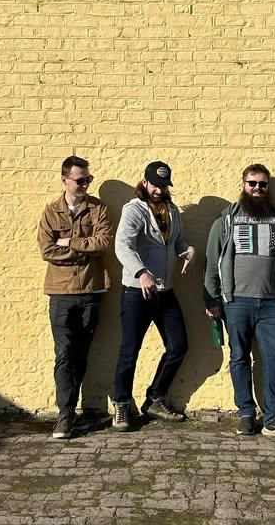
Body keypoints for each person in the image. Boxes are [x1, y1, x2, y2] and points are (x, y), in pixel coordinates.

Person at [204, 164, 275, 438]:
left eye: (262, 184)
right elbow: (212, 263)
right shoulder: (226, 220)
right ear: (243, 185)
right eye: (252, 183)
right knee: (239, 357)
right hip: (236, 303)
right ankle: (247, 414)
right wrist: (211, 298)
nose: (257, 189)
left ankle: (274, 418)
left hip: (273, 303)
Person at [112, 161, 195, 430]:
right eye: (155, 185)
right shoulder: (134, 209)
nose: (159, 190)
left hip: (165, 291)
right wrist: (141, 272)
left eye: (163, 185)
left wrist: (186, 250)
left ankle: (155, 398)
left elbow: (175, 241)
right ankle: (123, 404)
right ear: (145, 182)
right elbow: (122, 245)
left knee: (178, 345)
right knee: (129, 350)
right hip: (138, 292)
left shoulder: (171, 210)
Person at [38, 156, 112, 439]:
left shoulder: (98, 209)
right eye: (80, 180)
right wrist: (84, 250)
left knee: (81, 354)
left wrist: (69, 243)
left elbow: (103, 243)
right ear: (65, 180)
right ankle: (65, 414)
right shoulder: (51, 212)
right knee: (64, 353)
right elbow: (47, 250)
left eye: (88, 180)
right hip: (60, 293)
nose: (84, 185)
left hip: (91, 291)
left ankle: (75, 411)